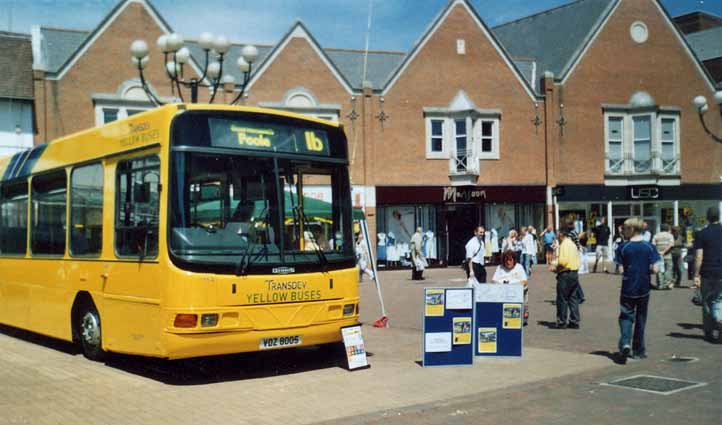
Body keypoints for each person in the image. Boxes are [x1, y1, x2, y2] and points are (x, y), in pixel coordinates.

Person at [615, 217, 660, 363]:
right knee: (641, 318)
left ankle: (625, 342)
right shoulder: (649, 247)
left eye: (626, 228)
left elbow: (621, 269)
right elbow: (655, 268)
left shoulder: (623, 247)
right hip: (643, 287)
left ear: (632, 229)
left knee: (626, 316)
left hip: (628, 287)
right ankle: (639, 350)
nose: (623, 231)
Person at [693, 207, 722, 343]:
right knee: (720, 299)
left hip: (707, 272)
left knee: (707, 300)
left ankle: (709, 330)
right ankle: (720, 318)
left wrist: (696, 275)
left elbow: (699, 256)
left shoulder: (701, 234)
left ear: (707, 217)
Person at [550, 229, 581, 329]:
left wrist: (555, 268)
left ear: (560, 235)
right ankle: (574, 321)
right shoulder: (572, 244)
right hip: (574, 273)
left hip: (565, 274)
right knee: (573, 298)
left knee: (562, 298)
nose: (556, 238)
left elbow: (563, 262)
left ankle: (562, 321)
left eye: (557, 236)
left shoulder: (564, 244)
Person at [493, 250, 529, 325]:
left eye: (510, 260)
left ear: (514, 260)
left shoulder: (519, 267)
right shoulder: (500, 268)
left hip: (516, 290)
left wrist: (514, 285)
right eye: (506, 260)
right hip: (503, 290)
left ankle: (524, 313)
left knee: (525, 290)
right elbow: (494, 281)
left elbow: (525, 281)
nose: (508, 262)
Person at [652, 224, 675, 290]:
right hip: (668, 255)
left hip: (658, 255)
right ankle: (667, 284)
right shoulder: (670, 235)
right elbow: (671, 245)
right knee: (668, 269)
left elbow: (653, 245)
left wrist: (658, 252)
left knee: (659, 270)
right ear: (668, 228)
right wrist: (664, 251)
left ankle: (660, 284)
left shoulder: (656, 235)